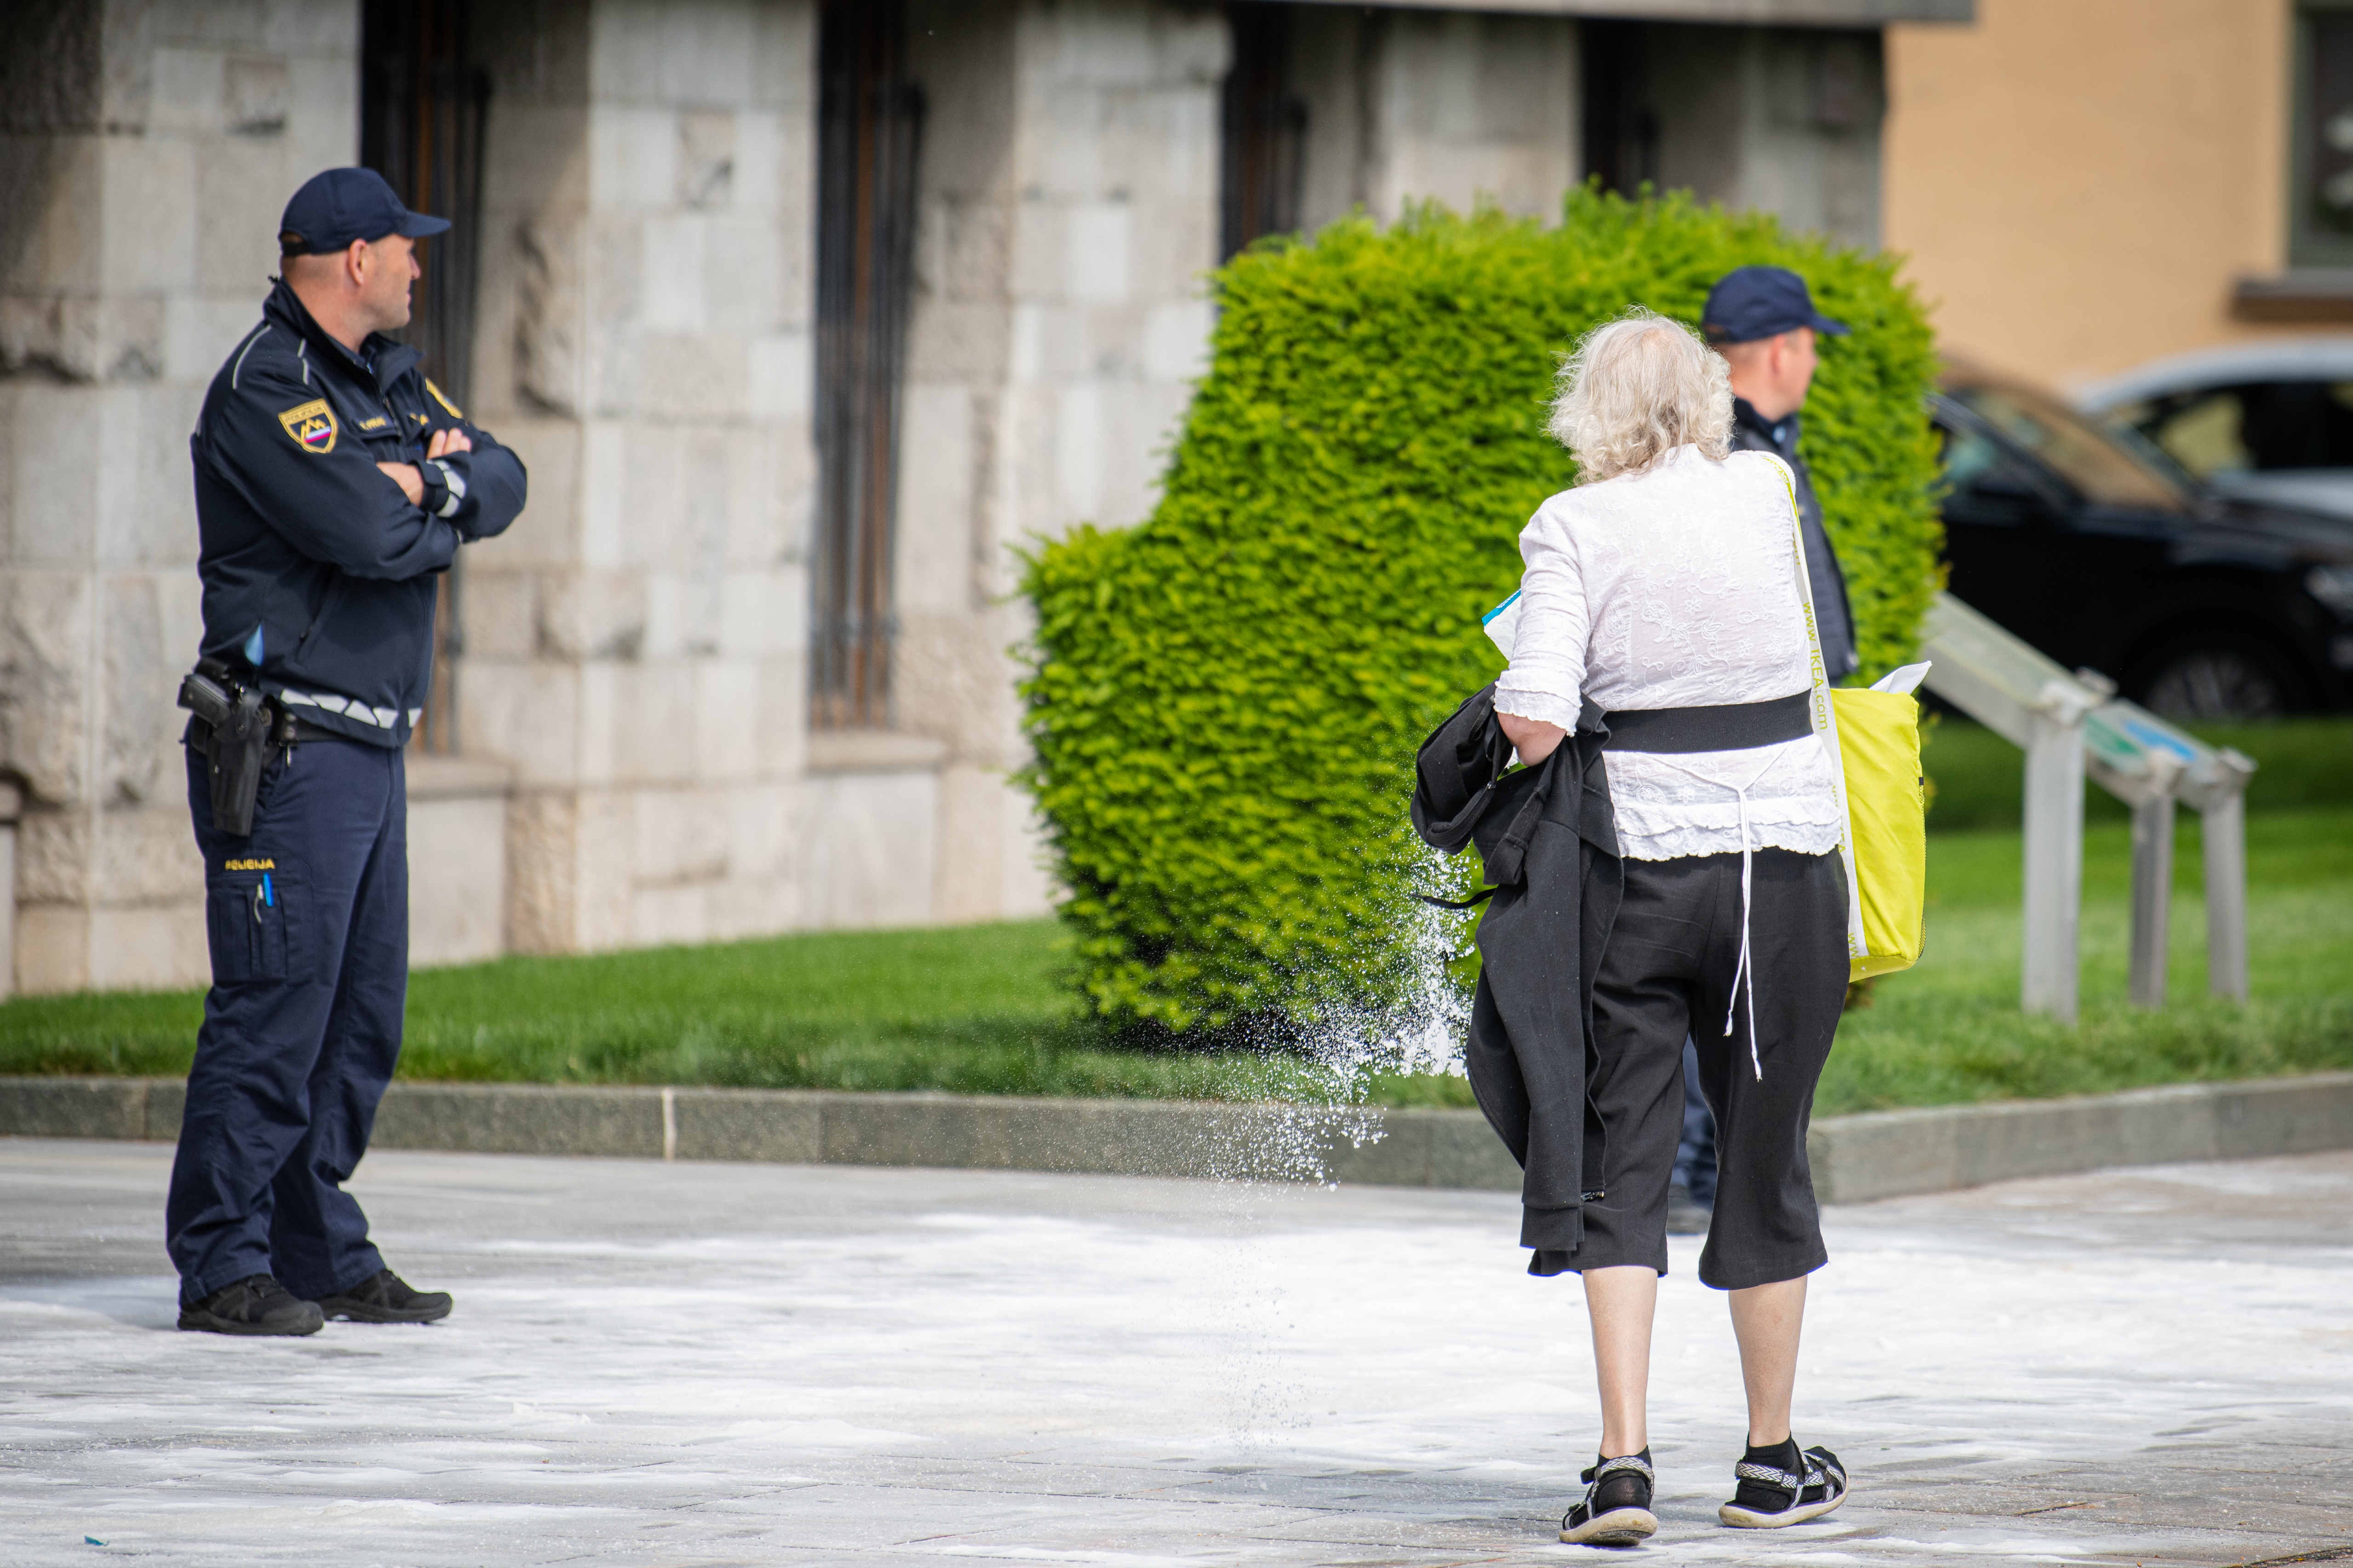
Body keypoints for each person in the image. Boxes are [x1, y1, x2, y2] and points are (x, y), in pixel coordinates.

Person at [1493, 310, 1852, 1545]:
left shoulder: (1569, 525)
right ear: (1707, 398)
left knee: (1620, 1157)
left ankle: (1621, 1466)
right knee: (1764, 1151)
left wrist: (1501, 698)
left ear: (1585, 413)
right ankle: (1767, 1463)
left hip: (1634, 877)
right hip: (1781, 875)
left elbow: (1537, 718)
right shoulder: (1763, 485)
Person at [167, 167, 527, 1337]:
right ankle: (225, 1265)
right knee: (274, 1010)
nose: (422, 264)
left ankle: (315, 1246)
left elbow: (504, 478)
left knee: (358, 1018)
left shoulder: (388, 377)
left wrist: (428, 477)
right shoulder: (268, 386)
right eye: (405, 247)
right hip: (284, 747)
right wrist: (434, 487)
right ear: (352, 260)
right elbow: (369, 536)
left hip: (370, 742)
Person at [1667, 265, 1859, 1237]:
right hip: (1748, 764)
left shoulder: (1752, 442)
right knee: (1740, 965)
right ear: (1781, 347)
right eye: (1811, 342)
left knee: (1755, 969)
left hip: (1776, 749)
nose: (1816, 359)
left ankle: (1709, 1163)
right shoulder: (1725, 455)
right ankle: (1701, 1166)